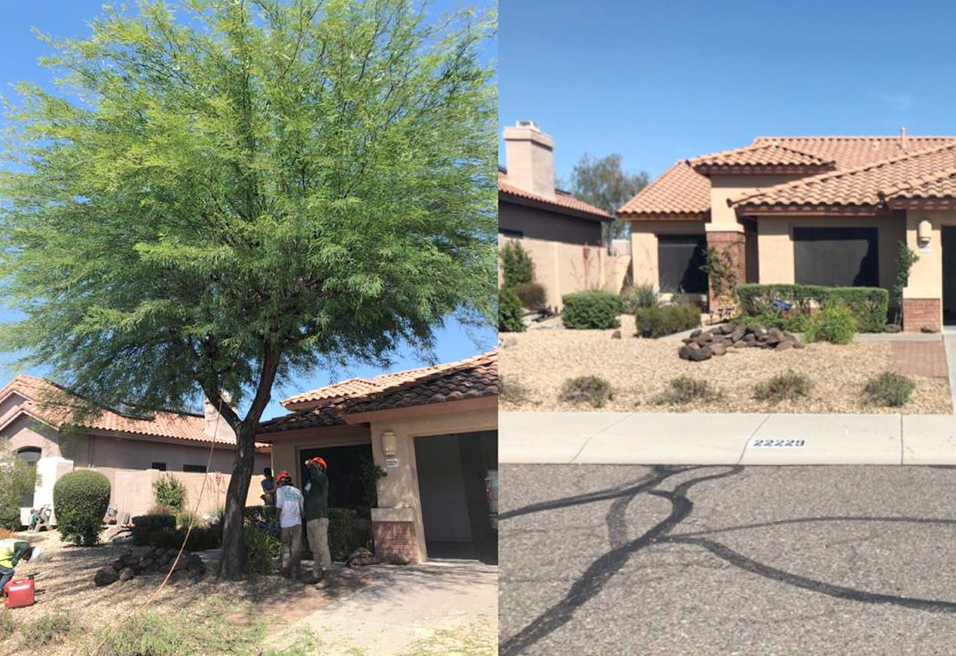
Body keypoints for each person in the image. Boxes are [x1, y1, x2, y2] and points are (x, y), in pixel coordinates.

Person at [303, 456, 333, 588]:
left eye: (316, 465)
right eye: (313, 465)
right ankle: (316, 574)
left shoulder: (322, 479)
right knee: (314, 549)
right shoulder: (310, 482)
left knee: (322, 547)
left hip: (320, 518)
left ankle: (327, 577)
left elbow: (317, 474)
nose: (313, 467)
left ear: (321, 468)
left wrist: (311, 465)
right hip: (310, 519)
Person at [273, 470, 304, 580]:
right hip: (297, 523)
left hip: (285, 524)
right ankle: (295, 572)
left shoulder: (280, 491)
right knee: (296, 548)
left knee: (286, 547)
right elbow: (302, 509)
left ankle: (286, 571)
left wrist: (276, 521)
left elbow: (278, 507)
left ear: (280, 482)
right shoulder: (297, 491)